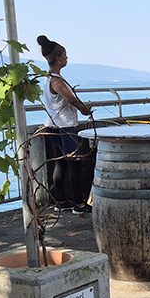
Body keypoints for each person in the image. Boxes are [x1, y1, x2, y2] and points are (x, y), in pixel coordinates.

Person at [38, 34, 94, 214]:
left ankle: (61, 202)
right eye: (65, 55)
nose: (67, 58)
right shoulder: (56, 81)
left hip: (52, 125)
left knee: (61, 164)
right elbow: (70, 99)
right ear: (58, 58)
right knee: (75, 164)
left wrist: (82, 107)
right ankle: (79, 204)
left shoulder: (47, 78)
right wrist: (85, 109)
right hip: (64, 127)